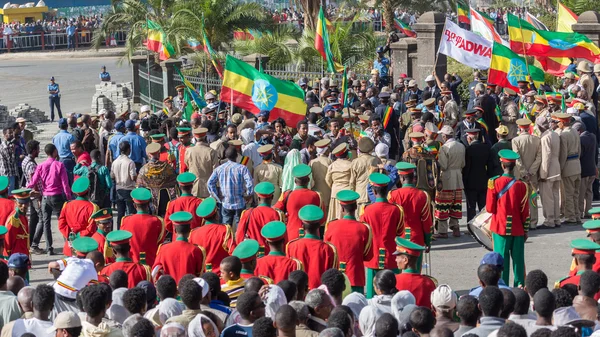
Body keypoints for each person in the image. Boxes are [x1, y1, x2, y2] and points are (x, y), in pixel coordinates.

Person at [487, 149, 530, 287]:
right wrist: (526, 230)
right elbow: (525, 212)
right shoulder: (522, 185)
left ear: (502, 165)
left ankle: (502, 287)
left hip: (500, 228)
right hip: (517, 229)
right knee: (518, 260)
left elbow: (489, 208)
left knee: (500, 261)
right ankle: (519, 287)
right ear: (514, 166)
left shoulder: (493, 183)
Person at [360, 173, 404, 299]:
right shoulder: (396, 210)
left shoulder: (367, 210)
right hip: (391, 255)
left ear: (373, 191)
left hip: (372, 255)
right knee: (393, 293)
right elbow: (399, 231)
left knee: (371, 294)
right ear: (387, 190)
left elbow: (364, 232)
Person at [325, 190, 373, 293]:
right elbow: (368, 256)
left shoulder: (331, 225)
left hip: (335, 278)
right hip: (355, 277)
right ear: (356, 207)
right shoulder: (364, 228)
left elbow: (328, 251)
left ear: (342, 208)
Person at [388, 162, 432, 271]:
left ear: (402, 178)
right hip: (416, 238)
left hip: (398, 238)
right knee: (415, 271)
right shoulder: (423, 195)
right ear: (413, 178)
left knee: (398, 273)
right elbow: (427, 221)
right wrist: (428, 240)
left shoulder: (393, 195)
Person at [287, 205, 337, 290]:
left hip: (298, 293)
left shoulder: (291, 246)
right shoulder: (329, 248)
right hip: (320, 295)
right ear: (319, 226)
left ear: (302, 226)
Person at [153, 212, 206, 283]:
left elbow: (156, 272)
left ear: (174, 230)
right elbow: (199, 274)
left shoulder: (163, 248)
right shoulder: (196, 250)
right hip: (189, 290)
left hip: (170, 291)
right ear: (190, 230)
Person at [208, 146, 254, 229]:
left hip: (226, 202)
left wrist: (216, 197)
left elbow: (210, 183)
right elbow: (250, 183)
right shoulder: (242, 168)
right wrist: (249, 195)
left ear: (226, 156)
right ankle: (238, 241)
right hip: (240, 202)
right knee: (240, 227)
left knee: (226, 228)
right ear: (236, 155)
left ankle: (227, 241)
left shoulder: (219, 169)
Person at [120, 188, 165, 266]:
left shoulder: (125, 220)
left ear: (134, 205)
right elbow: (160, 242)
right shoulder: (157, 221)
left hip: (132, 263)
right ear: (148, 205)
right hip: (152, 263)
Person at [236, 182, 284, 256]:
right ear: (272, 197)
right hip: (271, 255)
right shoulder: (277, 214)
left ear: (258, 198)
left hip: (252, 255)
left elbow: (239, 236)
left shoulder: (248, 213)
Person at [190, 197, 235, 275]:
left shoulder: (193, 233)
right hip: (221, 276)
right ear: (216, 214)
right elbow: (233, 252)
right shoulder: (224, 230)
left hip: (202, 276)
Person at [434, 126, 465, 238]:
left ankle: (443, 231)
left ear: (444, 136)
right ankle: (455, 227)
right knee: (455, 204)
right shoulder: (461, 146)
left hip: (447, 177)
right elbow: (463, 164)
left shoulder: (444, 148)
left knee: (443, 204)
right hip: (458, 177)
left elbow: (444, 165)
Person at [512, 119, 541, 229]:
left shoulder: (515, 140)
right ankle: (533, 222)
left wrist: (524, 172)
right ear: (529, 128)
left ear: (519, 127)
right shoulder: (537, 140)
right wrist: (531, 172)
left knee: (520, 199)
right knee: (532, 198)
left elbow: (517, 158)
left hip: (520, 175)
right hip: (533, 174)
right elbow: (539, 158)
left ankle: (521, 222)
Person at [57, 177, 98, 257]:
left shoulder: (67, 205)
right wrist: (79, 235)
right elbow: (91, 229)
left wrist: (71, 235)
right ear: (89, 190)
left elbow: (61, 224)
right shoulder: (93, 207)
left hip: (70, 246)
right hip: (86, 247)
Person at [136, 143, 178, 217]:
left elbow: (139, 186)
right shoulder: (167, 167)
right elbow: (174, 181)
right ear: (158, 154)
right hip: (165, 198)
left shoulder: (144, 169)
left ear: (149, 155)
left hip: (150, 200)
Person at [555, 113, 582, 225]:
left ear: (562, 122)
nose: (557, 124)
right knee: (576, 193)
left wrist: (560, 168)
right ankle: (577, 215)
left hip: (568, 166)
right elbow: (579, 150)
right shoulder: (575, 131)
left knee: (568, 194)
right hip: (577, 164)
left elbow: (563, 154)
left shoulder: (564, 135)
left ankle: (570, 217)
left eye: (558, 122)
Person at [393, 237, 435, 308]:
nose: (395, 260)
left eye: (397, 257)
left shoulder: (394, 280)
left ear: (405, 260)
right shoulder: (428, 282)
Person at [537, 116, 561, 228]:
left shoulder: (545, 137)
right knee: (556, 195)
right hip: (557, 167)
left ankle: (549, 221)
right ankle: (556, 219)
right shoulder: (555, 134)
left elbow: (546, 156)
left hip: (548, 169)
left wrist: (543, 174)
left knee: (547, 197)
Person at [464, 128, 492, 222]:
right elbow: (490, 165)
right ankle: (483, 223)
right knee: (482, 205)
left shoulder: (469, 149)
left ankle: (471, 224)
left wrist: (465, 180)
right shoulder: (486, 148)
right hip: (483, 179)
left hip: (471, 181)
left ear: (470, 138)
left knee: (471, 206)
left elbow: (467, 167)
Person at [185, 128, 219, 198]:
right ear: (206, 137)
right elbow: (216, 170)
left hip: (193, 185)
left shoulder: (189, 151)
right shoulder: (211, 152)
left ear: (194, 138)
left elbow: (187, 165)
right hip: (208, 187)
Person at [111, 141, 137, 228]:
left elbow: (112, 176)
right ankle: (130, 229)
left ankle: (119, 230)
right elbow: (133, 177)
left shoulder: (115, 162)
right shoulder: (130, 162)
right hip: (129, 189)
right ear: (128, 150)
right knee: (130, 213)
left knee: (120, 213)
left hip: (119, 190)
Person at [350, 138, 380, 211]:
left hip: (359, 195)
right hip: (374, 194)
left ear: (359, 149)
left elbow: (352, 182)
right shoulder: (376, 160)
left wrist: (352, 196)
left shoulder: (356, 162)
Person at [325, 143, 353, 223]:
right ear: (347, 154)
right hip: (347, 193)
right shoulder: (351, 165)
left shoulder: (332, 165)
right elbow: (353, 180)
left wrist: (334, 186)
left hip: (335, 193)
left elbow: (327, 180)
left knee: (334, 215)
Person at [576, 122, 597, 219]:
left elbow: (580, 155)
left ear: (579, 131)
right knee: (589, 192)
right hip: (592, 168)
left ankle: (580, 212)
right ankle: (588, 211)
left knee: (581, 192)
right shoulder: (593, 137)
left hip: (584, 170)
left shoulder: (581, 140)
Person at [309, 139, 333, 213]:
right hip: (327, 192)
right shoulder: (330, 161)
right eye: (328, 149)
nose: (329, 150)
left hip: (315, 192)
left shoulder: (312, 162)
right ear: (325, 150)